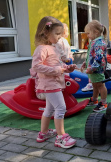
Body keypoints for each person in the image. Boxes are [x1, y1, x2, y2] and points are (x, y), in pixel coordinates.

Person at [32, 16, 77, 148]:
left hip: (54, 83)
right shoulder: (41, 49)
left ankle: (43, 133)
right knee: (61, 108)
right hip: (49, 84)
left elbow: (58, 65)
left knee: (49, 108)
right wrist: (58, 69)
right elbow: (37, 66)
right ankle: (61, 137)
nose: (60, 37)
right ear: (46, 32)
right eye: (57, 34)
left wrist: (67, 68)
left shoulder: (53, 47)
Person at [80, 20, 108, 112]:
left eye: (88, 33)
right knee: (94, 85)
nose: (87, 36)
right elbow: (90, 55)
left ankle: (104, 103)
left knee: (100, 85)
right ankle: (95, 100)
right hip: (93, 69)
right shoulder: (94, 41)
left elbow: (99, 58)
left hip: (97, 69)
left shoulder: (99, 43)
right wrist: (85, 63)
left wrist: (92, 68)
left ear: (96, 32)